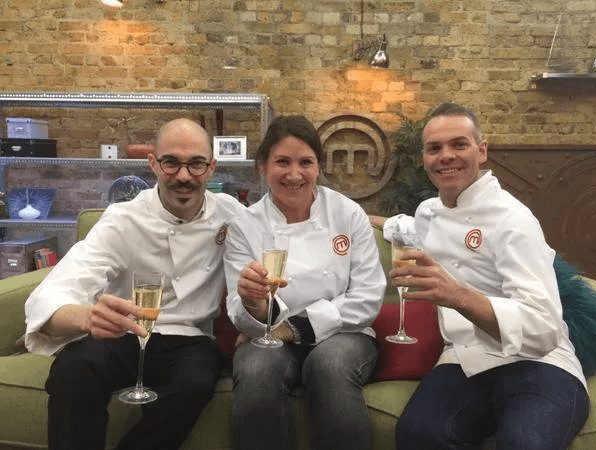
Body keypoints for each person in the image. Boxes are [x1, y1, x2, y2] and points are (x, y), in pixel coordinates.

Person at [376, 102, 589, 449]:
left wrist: (458, 296)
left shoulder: (514, 220)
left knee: (524, 443)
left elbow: (545, 328)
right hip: (463, 358)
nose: (446, 156)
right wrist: (371, 220)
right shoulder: (429, 213)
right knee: (417, 435)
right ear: (424, 159)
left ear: (482, 151)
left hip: (540, 363)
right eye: (434, 148)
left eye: (458, 144)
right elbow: (415, 227)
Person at [24, 118, 246, 450]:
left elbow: (273, 242)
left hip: (191, 339)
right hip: (125, 332)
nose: (184, 176)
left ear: (211, 168)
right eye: (171, 162)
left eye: (196, 164)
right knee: (74, 368)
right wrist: (85, 316)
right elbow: (62, 284)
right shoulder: (123, 218)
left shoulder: (232, 214)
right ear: (153, 163)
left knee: (196, 384)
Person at [223, 115, 386, 450]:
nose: (294, 174)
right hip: (269, 338)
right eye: (282, 161)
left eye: (305, 162)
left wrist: (292, 328)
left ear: (318, 167)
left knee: (329, 364)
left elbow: (367, 298)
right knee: (256, 369)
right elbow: (239, 311)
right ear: (262, 167)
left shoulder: (348, 214)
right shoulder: (245, 225)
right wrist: (253, 303)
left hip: (344, 334)